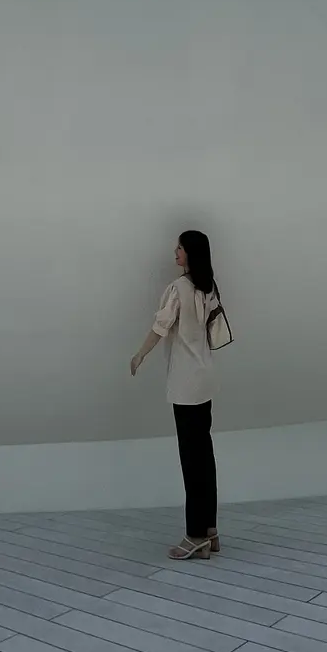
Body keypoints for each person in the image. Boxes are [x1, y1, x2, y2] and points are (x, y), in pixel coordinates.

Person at [129, 229, 223, 560]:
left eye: (180, 248)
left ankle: (194, 536)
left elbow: (160, 328)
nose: (175, 253)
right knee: (205, 456)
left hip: (185, 384)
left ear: (191, 253)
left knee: (191, 461)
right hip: (206, 378)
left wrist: (139, 355)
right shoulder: (208, 286)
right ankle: (210, 530)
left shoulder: (178, 289)